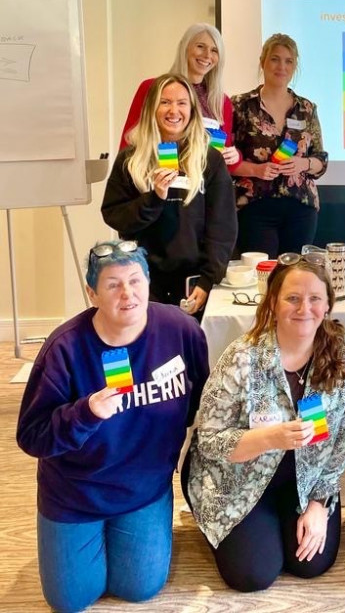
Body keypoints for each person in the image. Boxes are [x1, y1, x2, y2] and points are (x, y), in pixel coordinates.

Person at [16, 241, 209, 612]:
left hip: (145, 488)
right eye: (112, 285)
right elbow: (31, 436)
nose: (128, 294)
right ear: (91, 294)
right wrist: (84, 413)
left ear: (149, 281)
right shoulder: (65, 348)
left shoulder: (181, 331)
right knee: (70, 601)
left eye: (136, 281)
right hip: (76, 494)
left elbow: (200, 400)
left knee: (139, 588)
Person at [185, 253, 345, 592]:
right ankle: (233, 521)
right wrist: (270, 438)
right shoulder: (242, 356)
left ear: (327, 305)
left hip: (305, 481)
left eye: (314, 299)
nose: (303, 308)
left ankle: (287, 517)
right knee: (252, 575)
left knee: (310, 564)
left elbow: (343, 436)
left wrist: (317, 505)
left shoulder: (344, 355)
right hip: (236, 478)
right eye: (292, 298)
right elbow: (208, 442)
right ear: (274, 303)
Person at [102, 73, 237, 317]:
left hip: (193, 283)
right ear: (152, 108)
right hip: (143, 280)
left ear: (192, 110)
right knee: (151, 351)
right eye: (165, 102)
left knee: (191, 350)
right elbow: (115, 216)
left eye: (181, 103)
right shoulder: (130, 159)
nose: (173, 110)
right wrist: (154, 198)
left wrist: (207, 280)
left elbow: (223, 227)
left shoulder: (210, 160)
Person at [231, 33, 328, 257]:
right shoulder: (240, 105)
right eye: (275, 59)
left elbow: (321, 160)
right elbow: (226, 160)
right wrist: (256, 169)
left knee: (293, 276)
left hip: (301, 207)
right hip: (254, 206)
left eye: (288, 61)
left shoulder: (306, 108)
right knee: (262, 277)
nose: (281, 66)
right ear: (262, 61)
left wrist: (302, 163)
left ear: (295, 66)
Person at [119, 23, 241, 169]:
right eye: (200, 46)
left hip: (203, 187)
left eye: (214, 50)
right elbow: (128, 144)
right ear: (185, 47)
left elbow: (224, 160)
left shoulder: (222, 101)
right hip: (155, 180)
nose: (207, 55)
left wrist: (235, 157)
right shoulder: (151, 88)